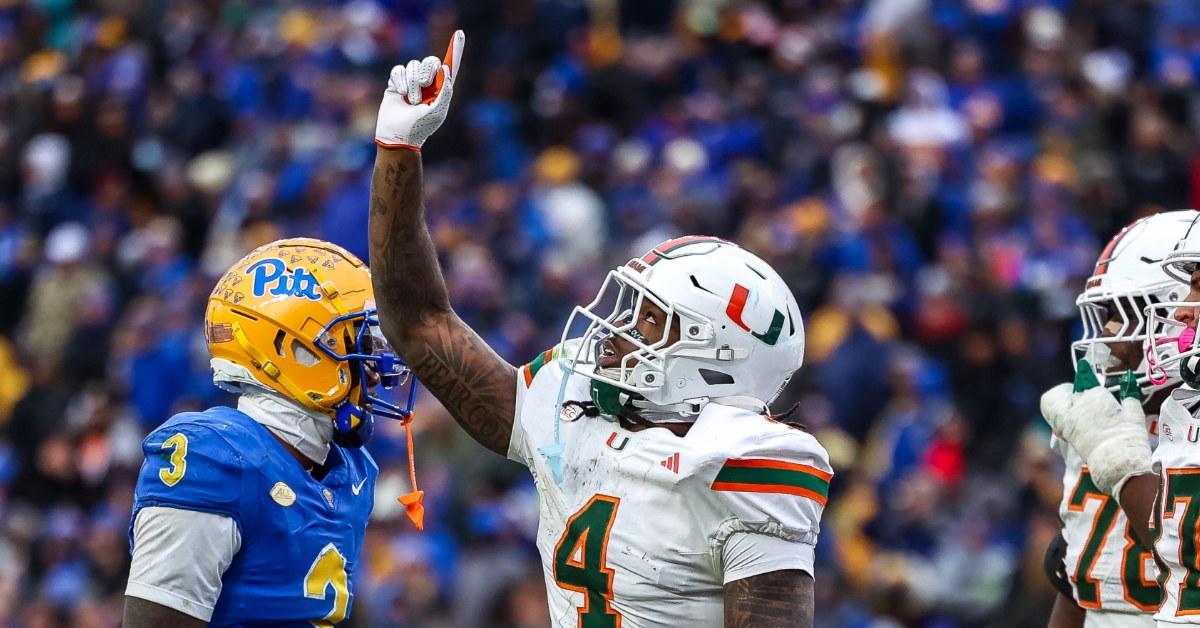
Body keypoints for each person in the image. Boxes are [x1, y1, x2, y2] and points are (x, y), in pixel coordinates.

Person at [368, 32, 830, 627]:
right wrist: (397, 151)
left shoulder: (739, 462)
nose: (616, 329)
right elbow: (419, 322)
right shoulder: (570, 409)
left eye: (648, 321)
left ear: (716, 361)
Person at [122, 238, 419, 627]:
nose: (377, 370)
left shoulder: (352, 471)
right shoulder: (214, 458)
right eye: (362, 345)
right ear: (296, 349)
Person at [1043, 210, 1200, 626]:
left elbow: (1189, 551)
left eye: (1124, 312)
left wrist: (1125, 471)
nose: (1110, 337)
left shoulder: (1116, 442)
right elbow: (1080, 590)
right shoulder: (1108, 424)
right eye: (1106, 314)